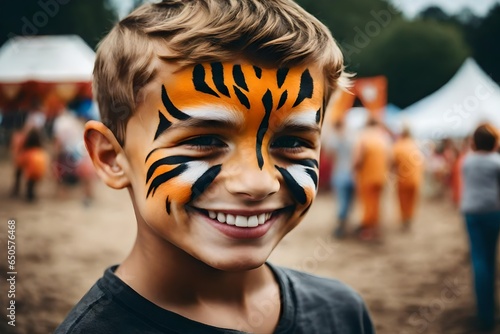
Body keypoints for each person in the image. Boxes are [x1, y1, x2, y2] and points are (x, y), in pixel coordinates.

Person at [55, 1, 374, 333]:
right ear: (110, 157)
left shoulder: (344, 314)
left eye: (292, 142)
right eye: (205, 141)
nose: (258, 182)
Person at [460, 123, 500, 332]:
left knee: (479, 259)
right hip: (493, 212)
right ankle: (490, 308)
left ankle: (483, 311)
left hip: (471, 212)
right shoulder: (496, 162)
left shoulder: (467, 161)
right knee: (491, 259)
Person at [353, 116, 392, 241]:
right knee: (377, 203)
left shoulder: (363, 137)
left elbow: (358, 160)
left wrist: (354, 170)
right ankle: (376, 229)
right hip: (382, 177)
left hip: (367, 177)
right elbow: (390, 159)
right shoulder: (384, 138)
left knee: (368, 204)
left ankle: (367, 231)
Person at [325, 119, 356, 238]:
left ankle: (341, 227)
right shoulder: (352, 137)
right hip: (352, 174)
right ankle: (347, 224)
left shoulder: (334, 139)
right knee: (350, 201)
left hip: (339, 174)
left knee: (342, 200)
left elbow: (328, 156)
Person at [392, 127, 424, 230]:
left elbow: (392, 163)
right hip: (416, 179)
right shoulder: (416, 145)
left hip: (403, 180)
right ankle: (409, 218)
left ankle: (405, 219)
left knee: (403, 201)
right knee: (412, 200)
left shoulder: (398, 146)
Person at [18, 128, 49, 201]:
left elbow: (21, 161)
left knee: (29, 181)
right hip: (40, 170)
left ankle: (28, 194)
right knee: (32, 182)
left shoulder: (28, 151)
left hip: (31, 170)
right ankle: (31, 194)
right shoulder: (40, 151)